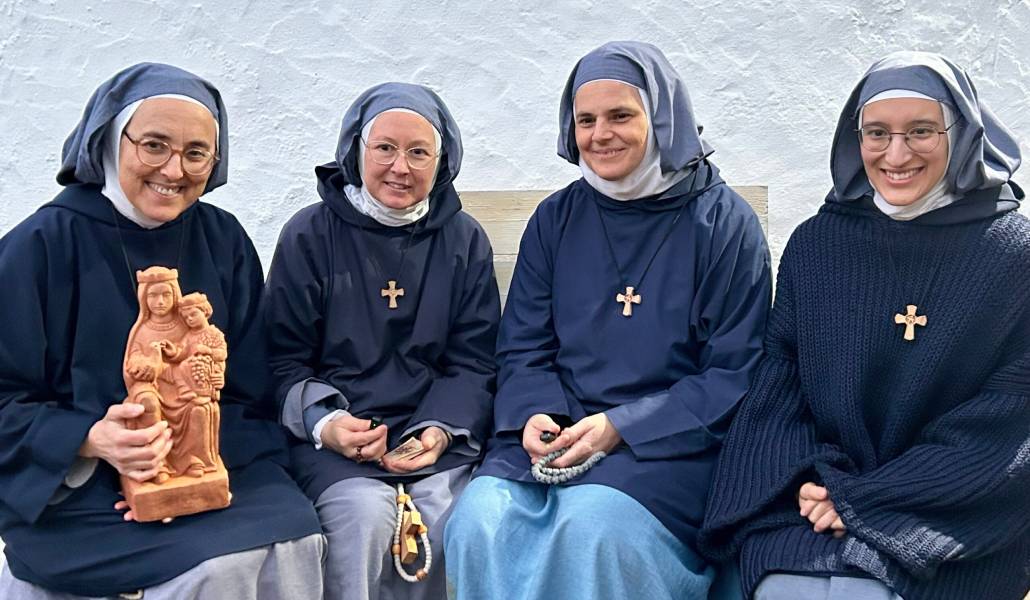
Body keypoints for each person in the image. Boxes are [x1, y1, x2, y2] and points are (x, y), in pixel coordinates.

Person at [443, 41, 771, 599]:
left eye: (621, 116)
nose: (600, 135)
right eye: (586, 120)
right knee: (479, 519)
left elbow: (734, 372)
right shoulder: (555, 219)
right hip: (556, 432)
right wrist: (534, 413)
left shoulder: (724, 224)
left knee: (594, 526)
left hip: (668, 445)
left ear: (663, 120)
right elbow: (523, 345)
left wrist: (622, 426)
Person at [699, 51, 1030, 600]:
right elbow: (781, 392)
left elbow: (1008, 425)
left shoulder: (1013, 254)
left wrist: (868, 498)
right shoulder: (816, 244)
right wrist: (826, 483)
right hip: (812, 496)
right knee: (784, 589)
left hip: (945, 513)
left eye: (920, 131)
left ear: (963, 134)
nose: (895, 154)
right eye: (877, 133)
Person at [0, 62, 324, 599]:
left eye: (196, 153)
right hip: (75, 485)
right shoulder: (37, 248)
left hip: (213, 458)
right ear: (109, 141)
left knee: (292, 538)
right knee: (212, 567)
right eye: (154, 145)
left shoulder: (223, 240)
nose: (174, 170)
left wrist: (185, 477)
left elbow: (249, 388)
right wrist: (90, 438)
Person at [265, 82, 499, 600]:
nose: (401, 167)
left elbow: (474, 360)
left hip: (435, 437)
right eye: (385, 148)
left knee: (452, 518)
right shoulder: (309, 235)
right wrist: (327, 424)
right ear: (356, 151)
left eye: (419, 152)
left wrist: (439, 431)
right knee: (363, 519)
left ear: (442, 162)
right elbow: (281, 360)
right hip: (334, 443)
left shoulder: (464, 240)